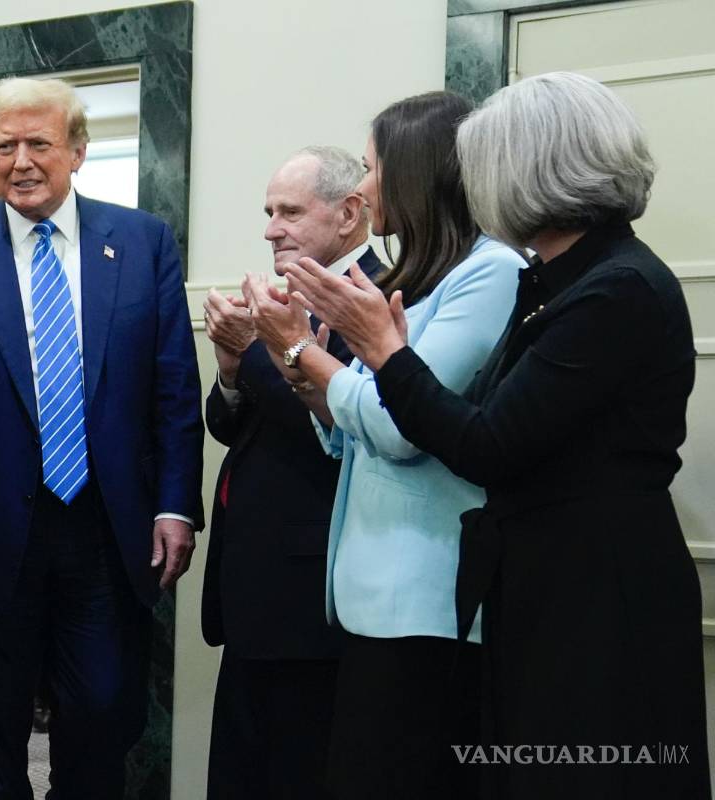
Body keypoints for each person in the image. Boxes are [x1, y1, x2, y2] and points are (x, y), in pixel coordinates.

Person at [294, 71, 709, 800]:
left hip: (598, 597)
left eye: (485, 165)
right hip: (541, 587)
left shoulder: (618, 289)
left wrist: (383, 354)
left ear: (531, 171)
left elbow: (488, 444)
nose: (474, 186)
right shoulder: (553, 281)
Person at [0, 76, 204, 800]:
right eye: (5, 146)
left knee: (102, 714)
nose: (21, 161)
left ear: (78, 152)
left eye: (39, 143)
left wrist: (175, 506)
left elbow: (172, 389)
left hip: (105, 533)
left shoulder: (141, 241)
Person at [245, 91, 525, 799]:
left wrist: (301, 351)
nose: (365, 188)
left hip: (428, 590)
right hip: (373, 589)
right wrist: (298, 354)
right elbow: (351, 432)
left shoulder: (490, 271)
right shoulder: (414, 275)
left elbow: (402, 428)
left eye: (372, 168)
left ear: (418, 171)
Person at [200, 145, 383, 799]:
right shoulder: (290, 295)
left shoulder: (377, 296)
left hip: (311, 596)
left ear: (348, 214)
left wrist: (253, 353)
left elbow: (338, 428)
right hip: (253, 587)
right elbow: (233, 427)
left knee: (299, 772)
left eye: (289, 211)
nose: (271, 227)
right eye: (268, 212)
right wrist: (229, 371)